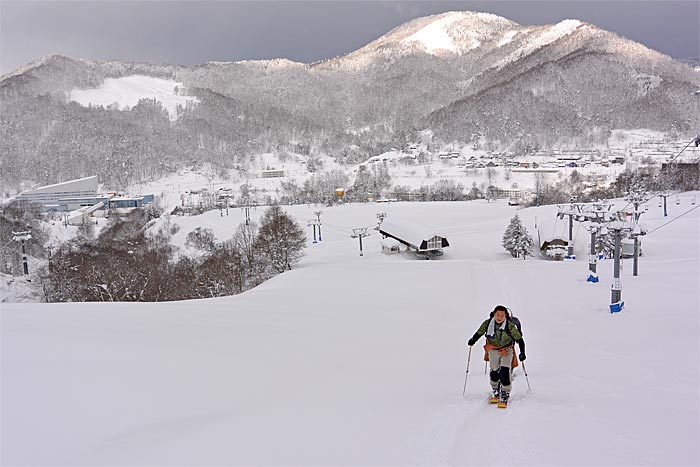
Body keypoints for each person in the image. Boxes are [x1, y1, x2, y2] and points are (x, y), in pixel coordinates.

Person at [467, 305, 526, 405]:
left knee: (504, 371)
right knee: (494, 371)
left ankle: (505, 392)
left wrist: (522, 353)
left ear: (505, 316)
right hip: (493, 349)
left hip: (507, 350)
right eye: (497, 315)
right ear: (494, 314)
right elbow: (479, 332)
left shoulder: (509, 326)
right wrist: (473, 340)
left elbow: (519, 340)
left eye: (502, 315)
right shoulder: (487, 323)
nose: (499, 317)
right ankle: (495, 389)